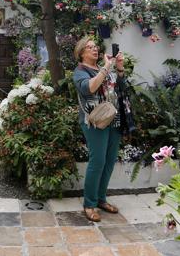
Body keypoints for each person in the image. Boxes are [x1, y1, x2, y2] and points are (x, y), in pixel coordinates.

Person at [73, 36, 127, 222]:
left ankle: (101, 199)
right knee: (97, 161)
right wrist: (106, 67)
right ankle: (89, 204)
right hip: (94, 121)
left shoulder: (103, 68)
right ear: (81, 53)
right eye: (89, 48)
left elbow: (121, 88)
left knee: (110, 161)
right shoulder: (80, 71)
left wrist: (118, 67)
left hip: (114, 119)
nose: (95, 50)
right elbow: (90, 88)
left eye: (96, 47)